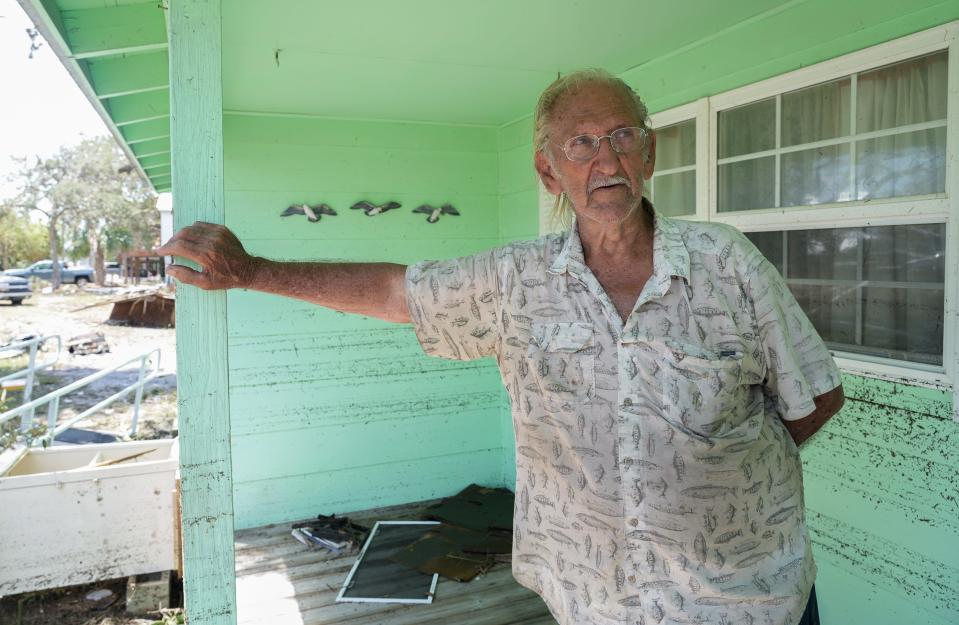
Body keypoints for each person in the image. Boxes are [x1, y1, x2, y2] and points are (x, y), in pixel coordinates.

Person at [158, 69, 844, 625]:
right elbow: (400, 291)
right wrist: (252, 273)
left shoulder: (725, 261)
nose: (605, 158)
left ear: (649, 152)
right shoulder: (515, 281)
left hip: (751, 601)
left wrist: (716, 472)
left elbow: (812, 398)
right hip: (598, 603)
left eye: (621, 136)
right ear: (549, 173)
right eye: (580, 143)